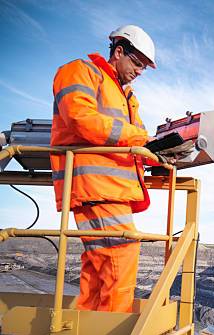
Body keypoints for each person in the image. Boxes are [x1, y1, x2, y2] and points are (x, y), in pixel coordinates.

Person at [50, 25, 159, 313]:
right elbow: (81, 119)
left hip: (112, 191)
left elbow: (139, 137)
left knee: (99, 266)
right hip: (94, 187)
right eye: (136, 63)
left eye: (144, 68)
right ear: (118, 51)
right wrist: (141, 139)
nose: (139, 72)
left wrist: (162, 151)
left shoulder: (128, 97)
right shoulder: (81, 71)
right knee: (121, 255)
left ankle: (85, 328)